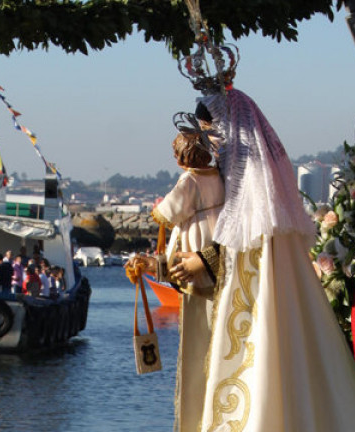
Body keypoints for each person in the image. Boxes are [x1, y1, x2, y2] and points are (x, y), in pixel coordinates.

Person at [172, 91, 355, 431]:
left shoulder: (255, 185)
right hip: (257, 293)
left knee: (265, 370)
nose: (210, 145)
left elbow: (245, 245)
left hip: (257, 298)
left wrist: (204, 260)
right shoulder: (248, 182)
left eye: (212, 133)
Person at [151, 126, 225, 432]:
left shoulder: (190, 180)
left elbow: (168, 213)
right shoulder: (218, 177)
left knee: (202, 341)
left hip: (198, 254)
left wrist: (156, 210)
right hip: (215, 241)